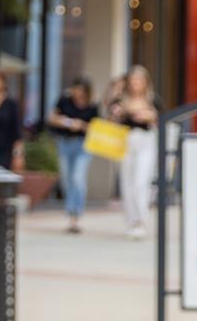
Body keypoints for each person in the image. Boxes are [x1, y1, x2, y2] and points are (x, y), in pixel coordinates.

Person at [109, 65, 160, 240]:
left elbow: (163, 118)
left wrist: (149, 116)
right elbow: (109, 115)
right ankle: (131, 220)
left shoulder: (152, 99)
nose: (135, 84)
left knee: (140, 181)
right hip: (125, 141)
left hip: (145, 141)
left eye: (139, 80)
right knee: (127, 183)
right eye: (132, 81)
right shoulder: (120, 99)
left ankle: (141, 220)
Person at [47, 77, 98, 232]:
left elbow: (97, 127)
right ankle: (70, 214)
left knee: (78, 177)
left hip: (83, 145)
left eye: (81, 90)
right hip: (65, 143)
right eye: (76, 89)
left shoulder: (93, 106)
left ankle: (77, 212)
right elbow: (51, 118)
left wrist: (82, 126)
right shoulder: (64, 101)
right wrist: (68, 123)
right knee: (67, 178)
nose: (78, 93)